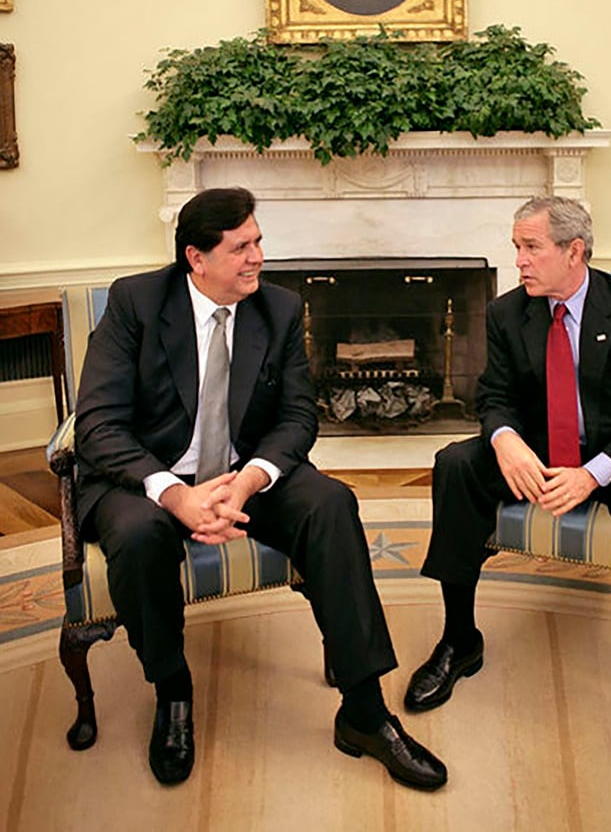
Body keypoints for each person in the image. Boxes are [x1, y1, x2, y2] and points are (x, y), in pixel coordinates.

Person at [74, 186, 446, 792]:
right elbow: (98, 424)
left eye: (259, 241)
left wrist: (245, 484)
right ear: (196, 257)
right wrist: (177, 495)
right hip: (145, 476)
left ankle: (365, 711)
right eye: (241, 246)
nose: (257, 257)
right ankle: (172, 691)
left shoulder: (277, 308)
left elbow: (298, 417)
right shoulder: (136, 303)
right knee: (140, 537)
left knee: (331, 504)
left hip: (242, 474)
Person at [403, 196, 611, 788]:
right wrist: (507, 440)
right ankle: (460, 639)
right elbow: (493, 395)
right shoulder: (507, 312)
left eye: (530, 247)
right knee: (455, 464)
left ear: (574, 251)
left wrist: (593, 473)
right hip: (539, 453)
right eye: (516, 246)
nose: (518, 260)